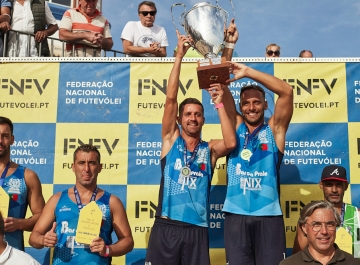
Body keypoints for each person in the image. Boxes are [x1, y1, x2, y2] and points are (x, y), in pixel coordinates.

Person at [144, 31, 237, 265]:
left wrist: (218, 102)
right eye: (188, 115)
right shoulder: (170, 139)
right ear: (180, 119)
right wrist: (178, 58)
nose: (193, 118)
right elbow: (170, 99)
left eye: (198, 114)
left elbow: (231, 142)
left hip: (197, 228)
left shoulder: (210, 149)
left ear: (204, 119)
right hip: (166, 225)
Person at [221, 55, 294, 264]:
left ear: (265, 104)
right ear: (240, 106)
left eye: (256, 102)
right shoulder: (235, 126)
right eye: (246, 103)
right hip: (236, 216)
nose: (251, 107)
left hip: (269, 217)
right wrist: (229, 46)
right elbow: (222, 83)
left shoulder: (275, 130)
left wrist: (247, 72)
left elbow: (286, 91)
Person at [29, 144, 134, 264]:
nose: (86, 169)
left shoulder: (111, 202)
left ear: (100, 167)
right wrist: (43, 239)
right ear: (73, 167)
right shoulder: (57, 199)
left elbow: (128, 241)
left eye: (92, 163)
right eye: (81, 163)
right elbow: (33, 238)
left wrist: (107, 250)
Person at [293, 165, 360, 263]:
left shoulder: (359, 215)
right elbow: (299, 255)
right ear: (321, 185)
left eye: (339, 185)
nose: (334, 190)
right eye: (329, 184)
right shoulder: (310, 214)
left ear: (346, 186)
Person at [0, 116, 45, 251]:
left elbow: (42, 218)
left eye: (5, 136)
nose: (0, 140)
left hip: (13, 255)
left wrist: (19, 223)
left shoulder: (27, 176)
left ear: (12, 139)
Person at [280, 201, 360, 265]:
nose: (324, 231)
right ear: (304, 228)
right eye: (316, 225)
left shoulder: (354, 263)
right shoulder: (288, 264)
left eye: (330, 224)